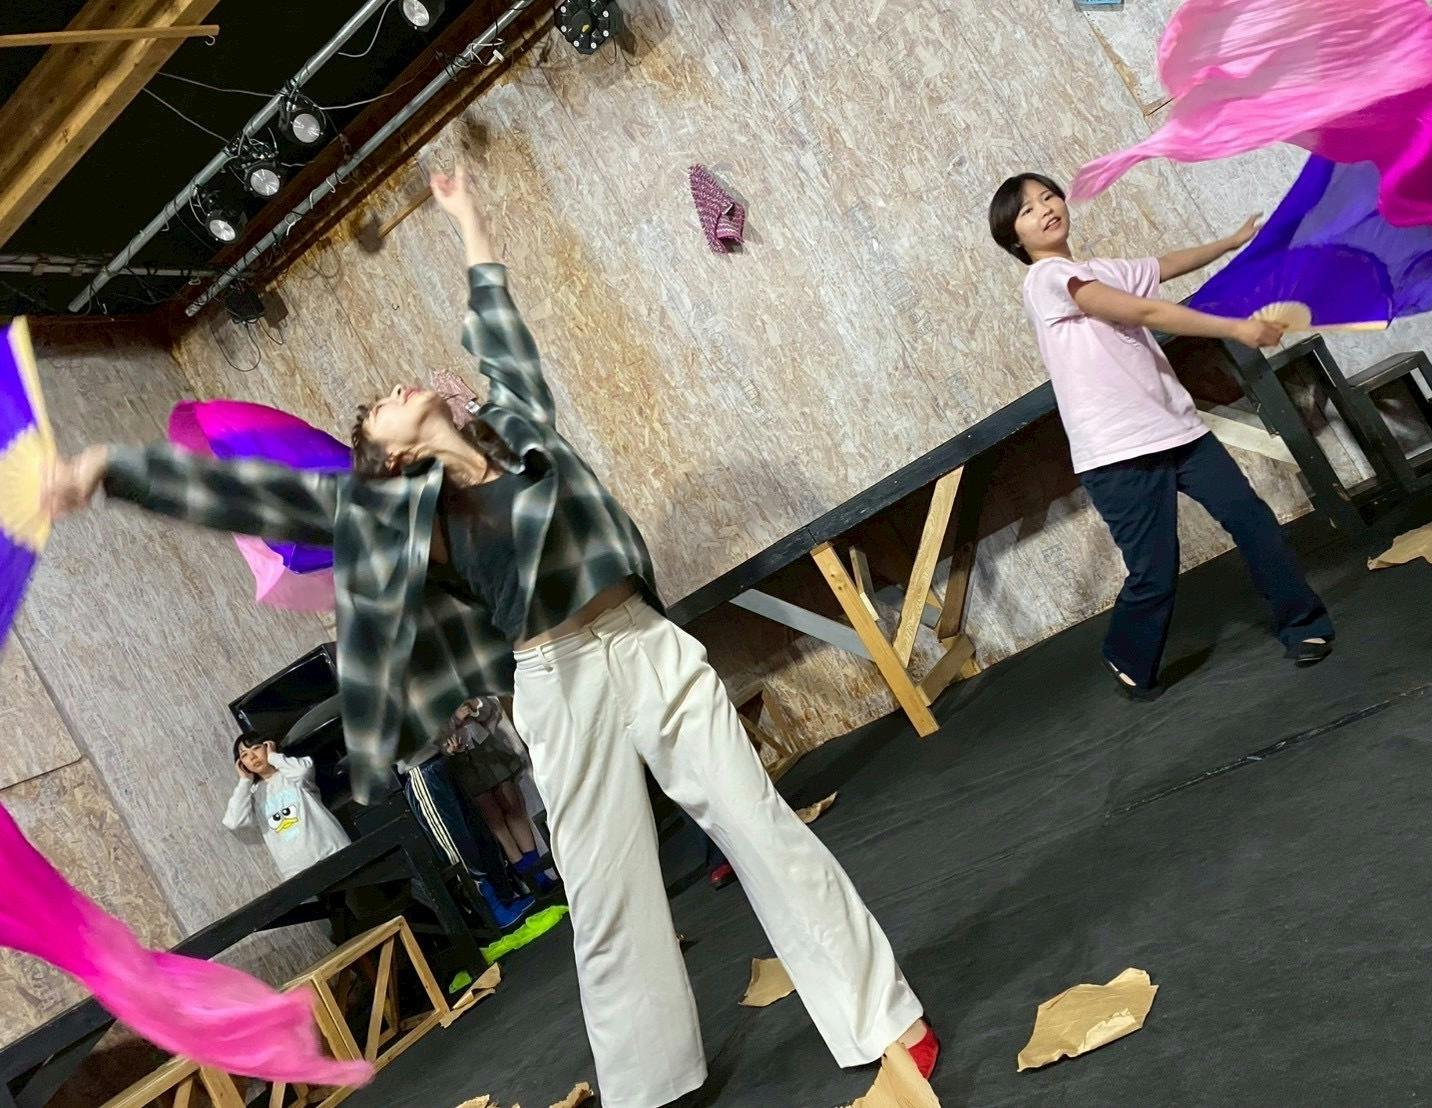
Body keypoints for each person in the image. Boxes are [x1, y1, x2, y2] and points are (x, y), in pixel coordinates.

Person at [45, 166, 937, 1107]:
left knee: (760, 827)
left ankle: (882, 1020)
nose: (392, 389)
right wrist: (109, 470)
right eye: (377, 408)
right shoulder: (401, 515)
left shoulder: (518, 426)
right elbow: (257, 498)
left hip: (643, 645)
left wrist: (467, 219)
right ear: (389, 456)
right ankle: (652, 1089)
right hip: (556, 678)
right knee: (606, 893)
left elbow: (502, 337)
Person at [988, 173, 1335, 701]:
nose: (1046, 208)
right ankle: (1126, 653)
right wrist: (1236, 328)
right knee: (1154, 572)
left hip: (1178, 431)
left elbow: (1164, 265)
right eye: (1027, 210)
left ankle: (1303, 624)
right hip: (1117, 453)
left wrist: (1230, 241)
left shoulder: (1100, 270)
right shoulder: (1047, 280)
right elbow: (1144, 311)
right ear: (1015, 237)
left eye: (1048, 196)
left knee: (1253, 522)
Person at [446, 696, 558, 894]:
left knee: (513, 807)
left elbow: (487, 708)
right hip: (459, 759)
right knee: (494, 820)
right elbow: (428, 739)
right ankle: (528, 877)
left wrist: (473, 707)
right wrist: (453, 721)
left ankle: (539, 871)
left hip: (484, 746)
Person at [223, 733, 350, 880]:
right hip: (297, 872)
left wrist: (274, 757)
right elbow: (234, 821)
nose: (252, 757)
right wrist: (245, 781)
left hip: (334, 853)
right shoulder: (252, 795)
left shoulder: (291, 775)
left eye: (256, 748)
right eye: (244, 755)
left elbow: (302, 771)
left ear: (268, 746)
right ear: (241, 764)